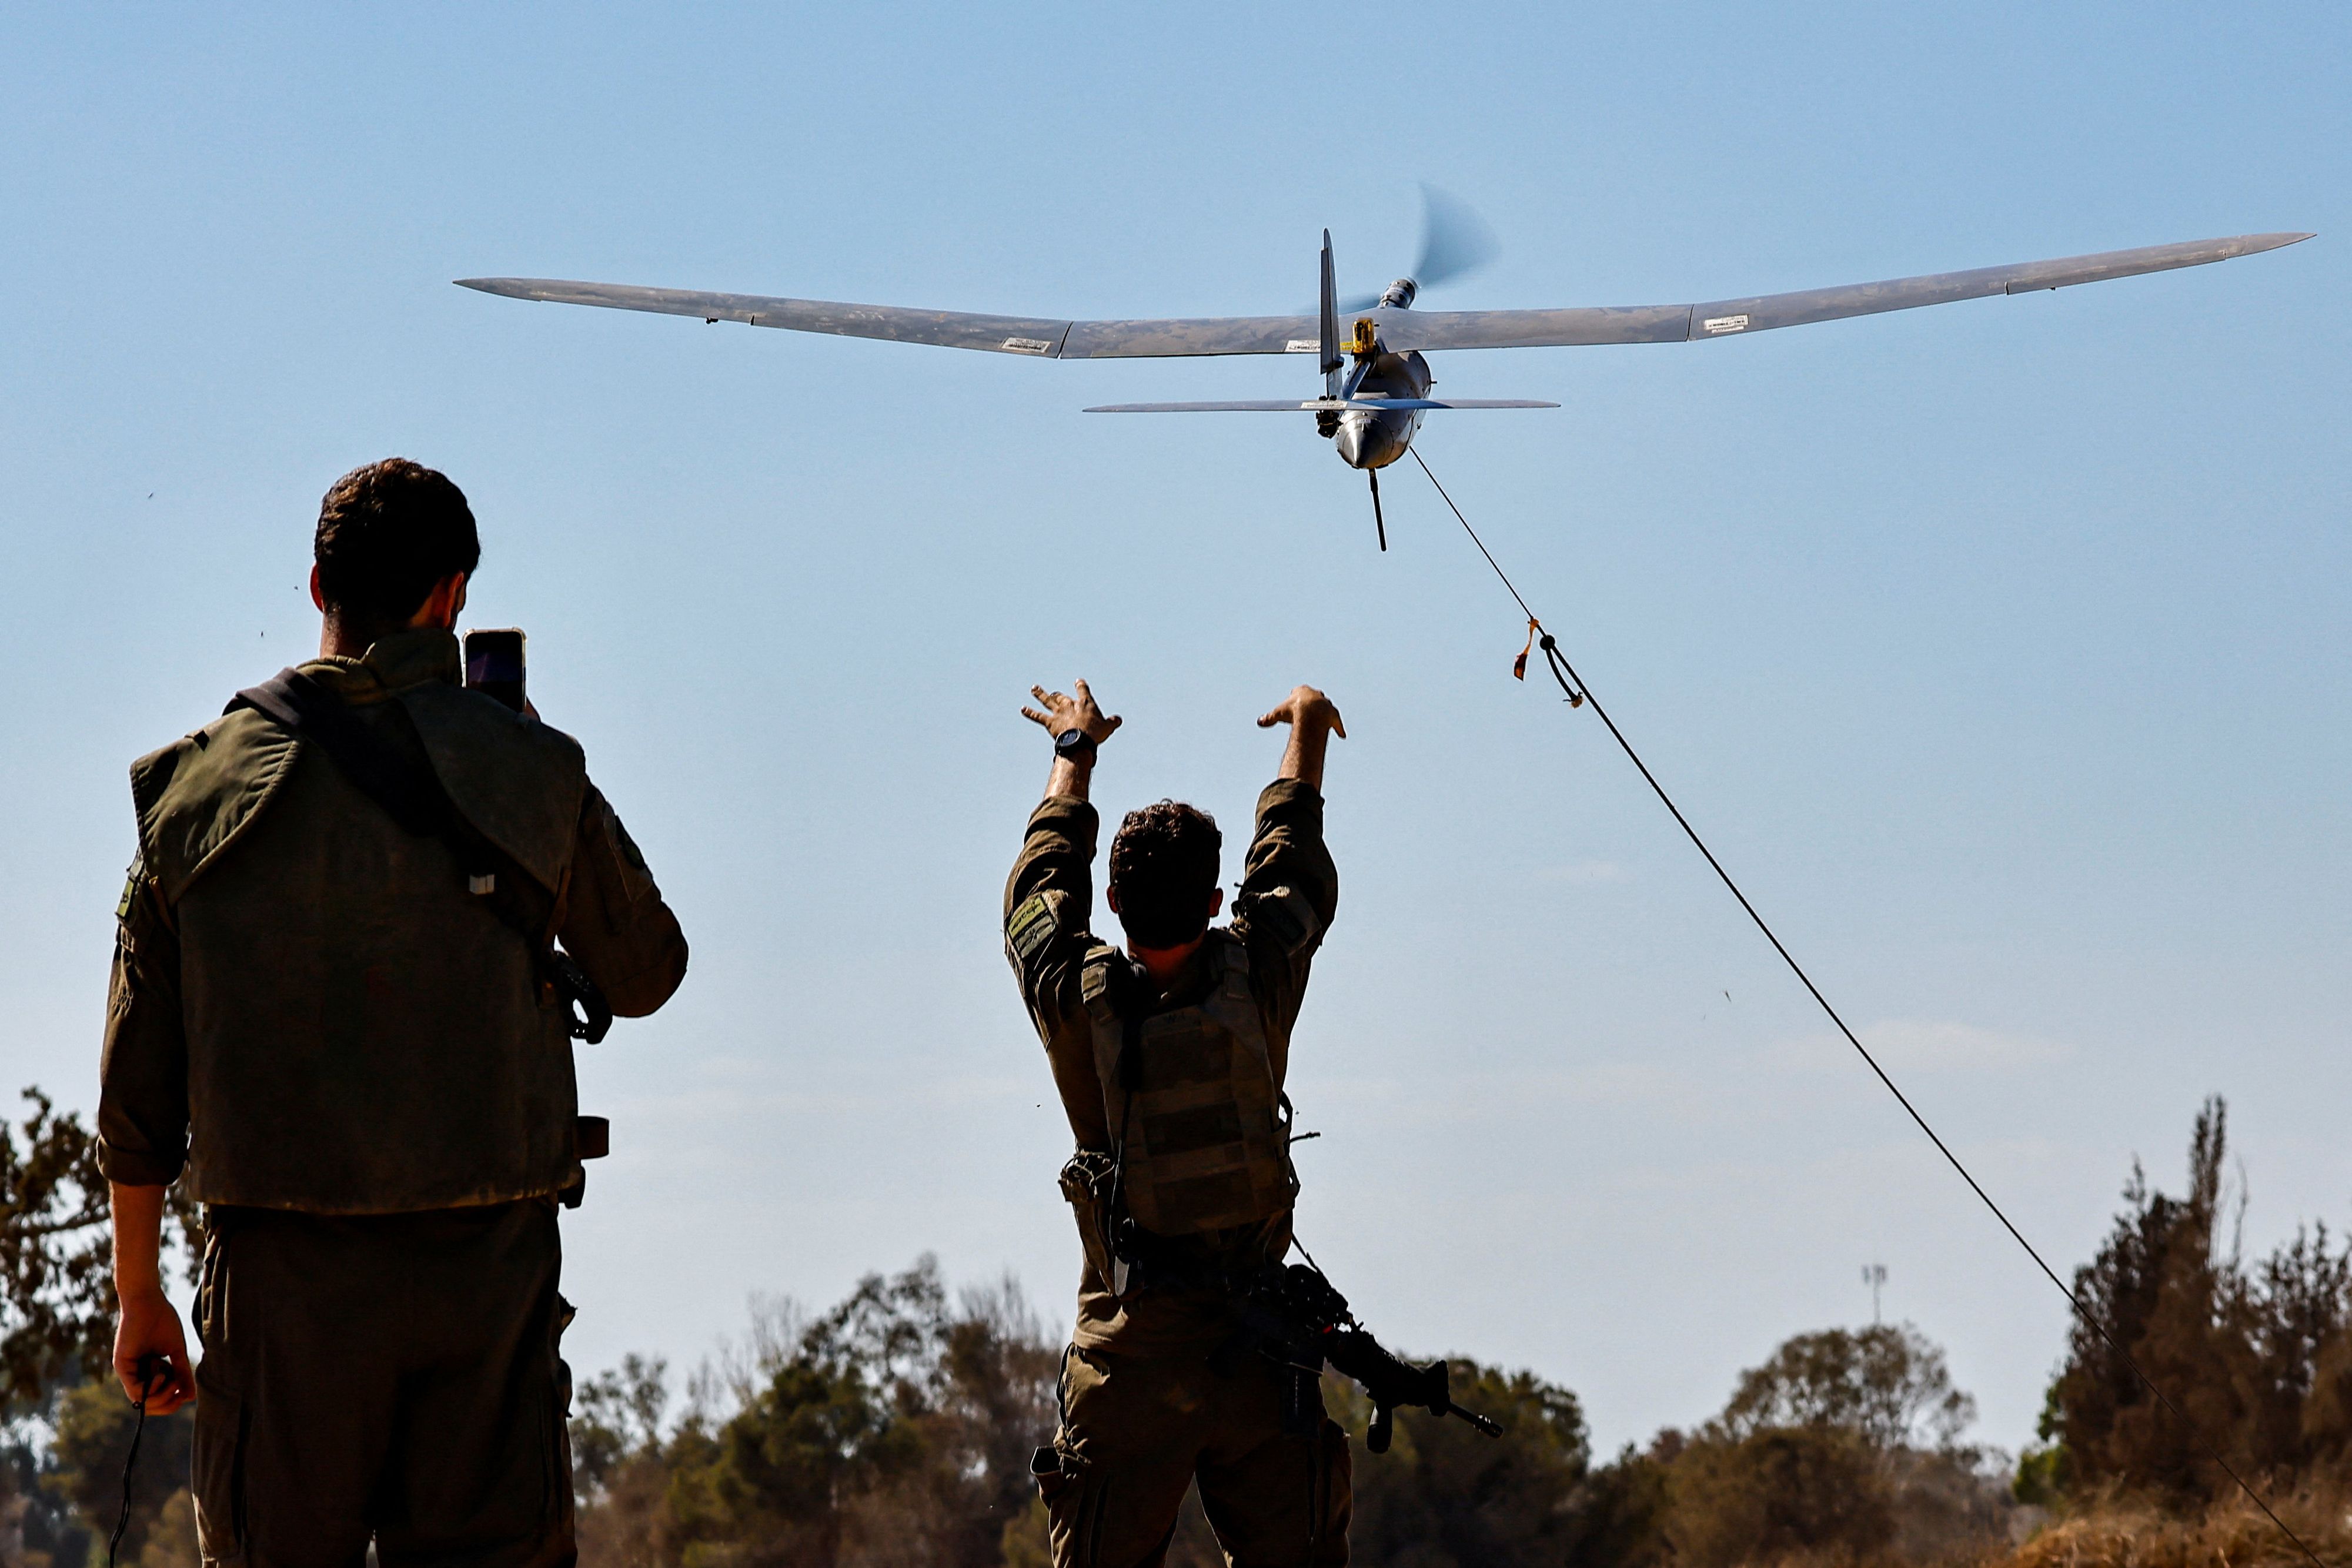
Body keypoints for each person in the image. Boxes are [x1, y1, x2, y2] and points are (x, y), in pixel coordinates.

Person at [99, 457, 689, 1567]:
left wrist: (140, 1293)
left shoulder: (194, 792)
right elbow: (647, 971)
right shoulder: (532, 769)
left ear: (318, 586)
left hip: (279, 1296)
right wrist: (528, 757)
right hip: (489, 1289)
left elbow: (138, 1094)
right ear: (453, 596)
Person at [1004, 677, 1349, 1567]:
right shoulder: (1261, 972)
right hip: (1259, 1356)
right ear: (1210, 904)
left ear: (1111, 905)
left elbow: (1037, 888)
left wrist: (1073, 753)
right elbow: (1291, 855)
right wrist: (1305, 729)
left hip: (1131, 1363)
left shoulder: (1074, 999)